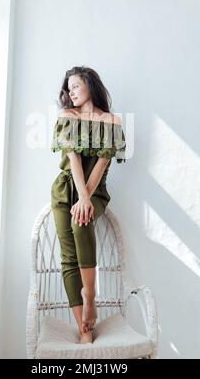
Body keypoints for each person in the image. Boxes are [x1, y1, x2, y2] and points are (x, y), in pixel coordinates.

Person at [51, 66, 126, 344]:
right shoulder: (66, 116)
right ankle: (85, 331)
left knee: (80, 221)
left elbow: (102, 163)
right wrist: (79, 196)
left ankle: (90, 296)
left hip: (96, 190)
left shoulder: (112, 121)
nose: (70, 91)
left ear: (90, 85)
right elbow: (73, 160)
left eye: (75, 85)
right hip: (65, 189)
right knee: (68, 257)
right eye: (67, 88)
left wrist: (86, 198)